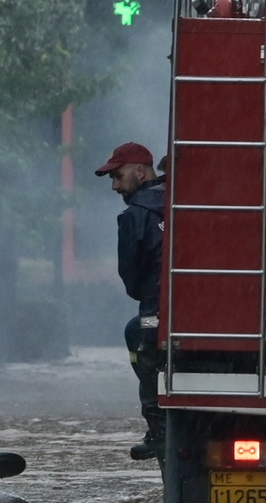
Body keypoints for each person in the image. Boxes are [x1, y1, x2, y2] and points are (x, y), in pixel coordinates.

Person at [95, 142, 166, 461]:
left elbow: (132, 282)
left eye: (118, 176)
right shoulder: (185, 201)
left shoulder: (135, 216)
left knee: (140, 339)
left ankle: (159, 429)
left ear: (141, 171)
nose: (114, 186)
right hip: (211, 315)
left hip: (158, 311)